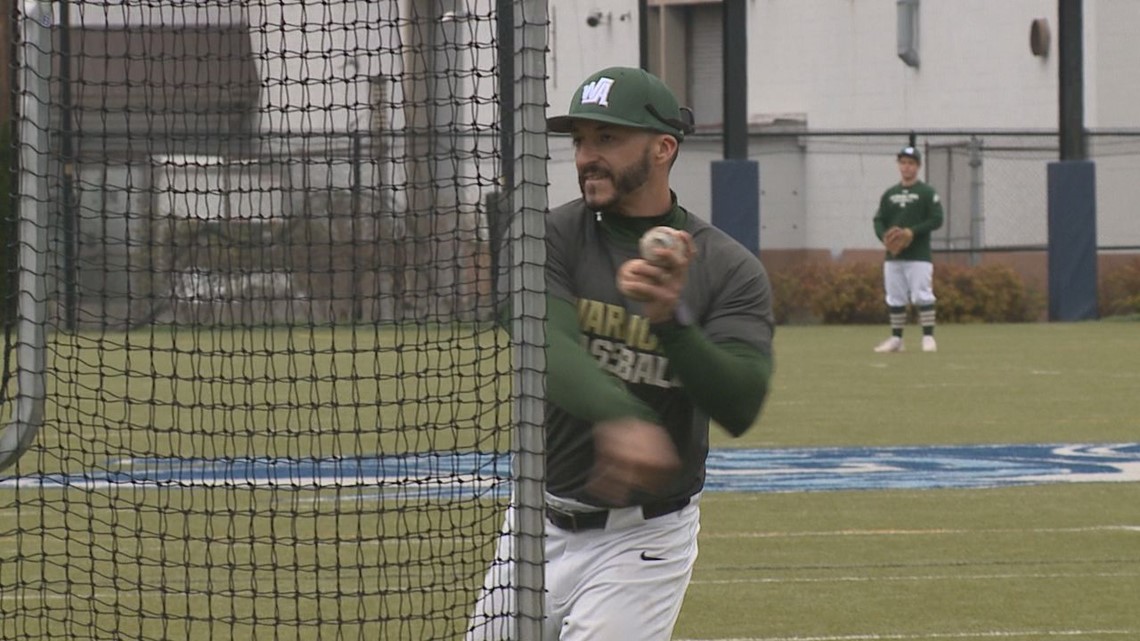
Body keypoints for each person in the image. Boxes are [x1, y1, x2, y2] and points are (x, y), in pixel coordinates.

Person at [466, 66, 775, 640]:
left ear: (663, 148)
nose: (587, 155)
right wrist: (621, 415)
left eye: (607, 138)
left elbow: (741, 402)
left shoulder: (728, 267)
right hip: (535, 526)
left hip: (644, 543)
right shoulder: (547, 236)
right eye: (580, 139)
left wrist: (673, 325)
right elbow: (539, 339)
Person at [872, 145, 944, 353]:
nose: (906, 167)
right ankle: (896, 339)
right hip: (894, 257)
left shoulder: (926, 192)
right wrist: (885, 238)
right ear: (898, 166)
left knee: (922, 295)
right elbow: (879, 220)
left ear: (918, 166)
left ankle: (928, 337)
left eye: (911, 163)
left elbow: (937, 219)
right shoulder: (890, 194)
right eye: (903, 163)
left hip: (918, 255)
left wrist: (912, 232)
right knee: (895, 297)